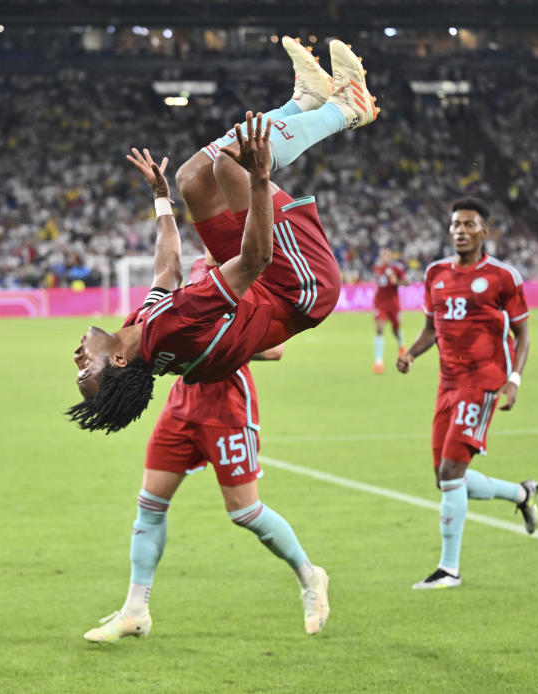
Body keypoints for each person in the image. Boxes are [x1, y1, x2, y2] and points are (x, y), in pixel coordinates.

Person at [68, 37, 378, 434]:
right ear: (119, 361)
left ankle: (304, 101)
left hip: (265, 288)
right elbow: (255, 261)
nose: (78, 357)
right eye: (86, 369)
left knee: (191, 179)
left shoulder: (145, 333)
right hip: (297, 288)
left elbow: (166, 270)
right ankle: (347, 109)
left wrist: (162, 198)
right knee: (231, 167)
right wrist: (260, 178)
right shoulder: (172, 327)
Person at [84, 253, 329, 643]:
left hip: (227, 406)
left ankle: (309, 575)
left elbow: (275, 348)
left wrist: (210, 349)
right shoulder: (200, 268)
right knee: (150, 505)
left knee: (245, 511)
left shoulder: (248, 273)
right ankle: (135, 610)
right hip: (182, 404)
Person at [396, 198, 538, 590]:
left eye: (469, 224)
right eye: (455, 224)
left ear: (484, 231)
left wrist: (514, 379)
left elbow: (522, 333)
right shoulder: (435, 273)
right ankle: (521, 494)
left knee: (450, 472)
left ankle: (449, 569)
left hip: (484, 382)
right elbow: (432, 327)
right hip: (447, 384)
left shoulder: (502, 277)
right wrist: (410, 352)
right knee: (445, 480)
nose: (460, 230)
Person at [372, 247, 408, 373]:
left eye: (387, 255)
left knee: (396, 330)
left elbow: (407, 282)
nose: (385, 257)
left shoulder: (396, 268)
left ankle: (401, 344)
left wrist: (396, 281)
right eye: (383, 255)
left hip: (394, 304)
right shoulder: (376, 268)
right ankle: (378, 362)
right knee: (379, 329)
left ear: (390, 256)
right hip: (380, 304)